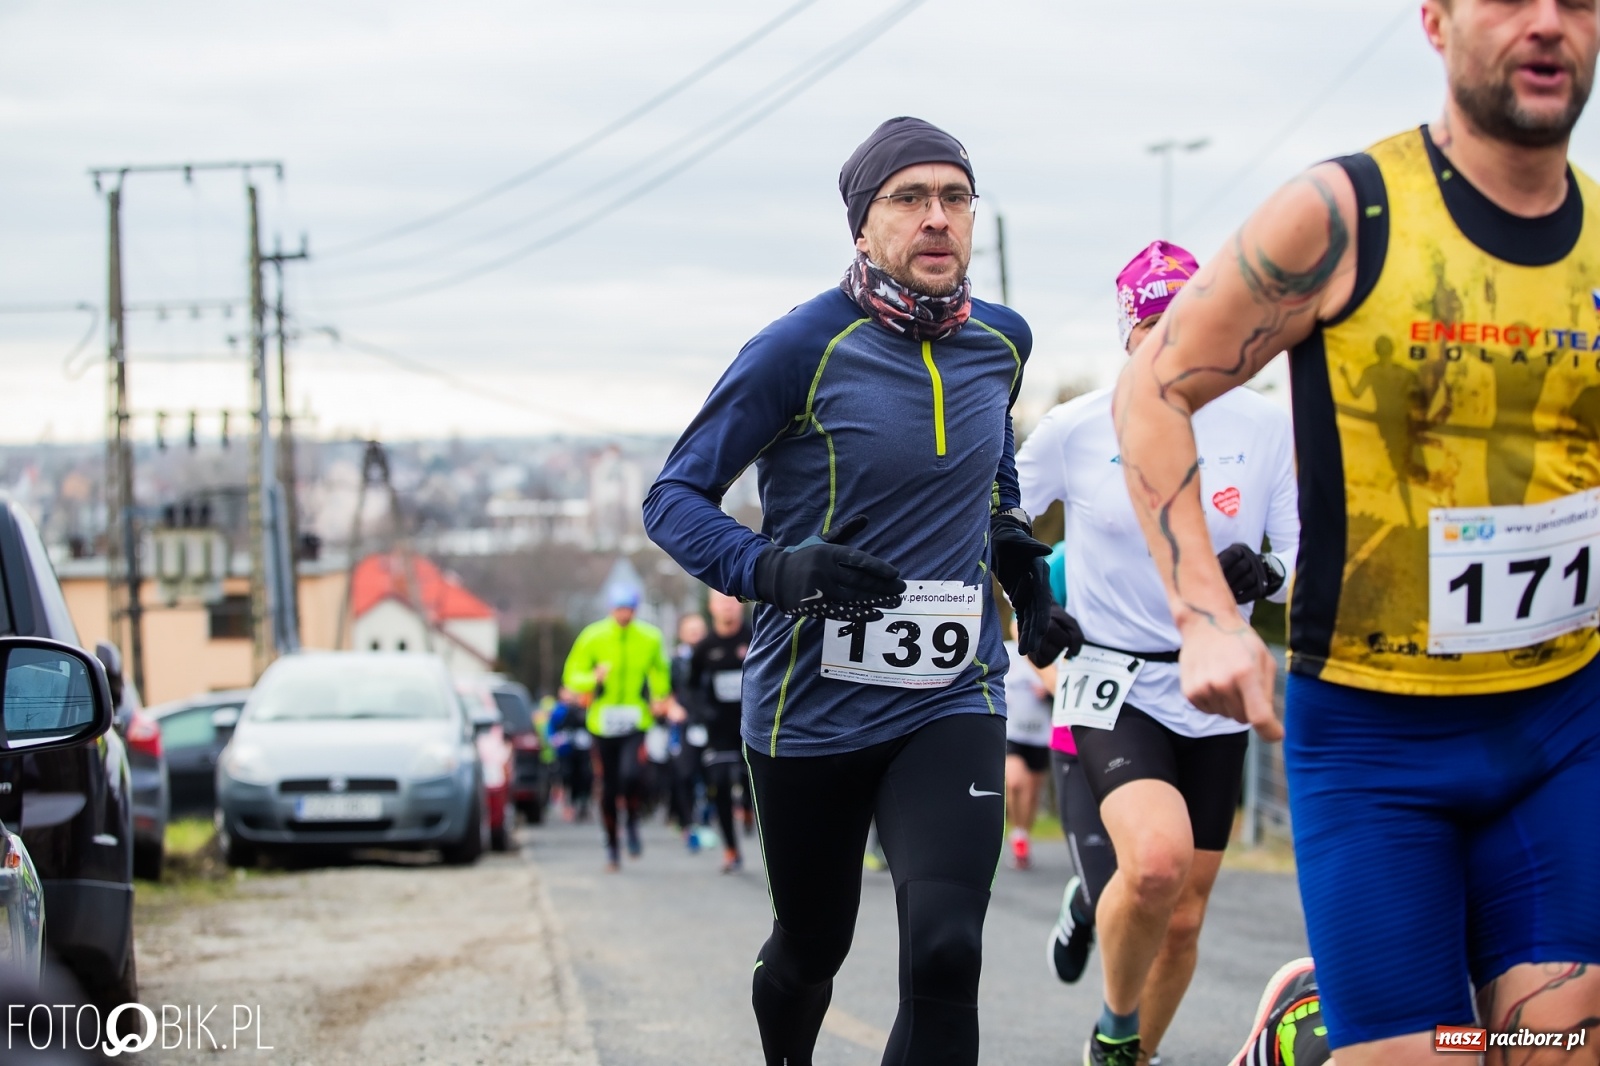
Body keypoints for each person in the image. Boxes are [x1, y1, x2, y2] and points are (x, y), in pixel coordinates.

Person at [1113, 4, 1600, 1063]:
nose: (1547, 24)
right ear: (1435, 20)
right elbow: (1150, 391)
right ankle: (1309, 1019)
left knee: (1558, 1048)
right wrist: (1203, 614)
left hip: (1563, 721)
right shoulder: (1344, 216)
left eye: (1575, 0)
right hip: (1381, 741)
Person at [644, 115, 1055, 1066]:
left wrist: (1016, 556)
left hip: (952, 692)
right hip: (810, 706)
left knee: (948, 952)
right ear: (862, 227)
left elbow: (988, 468)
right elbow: (672, 498)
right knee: (812, 945)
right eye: (908, 199)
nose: (937, 218)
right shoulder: (800, 347)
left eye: (955, 197)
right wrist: (771, 570)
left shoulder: (1002, 341)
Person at [1018, 240, 1299, 1066]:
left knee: (1181, 916)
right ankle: (1113, 1024)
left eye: (1186, 323)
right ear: (1127, 334)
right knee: (1155, 867)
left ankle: (1130, 1053)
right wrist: (1029, 601)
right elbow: (990, 524)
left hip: (1213, 686)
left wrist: (1270, 571)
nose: (1170, 342)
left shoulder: (1265, 426)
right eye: (1151, 326)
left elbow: (1304, 560)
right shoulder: (1074, 428)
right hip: (1111, 678)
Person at [561, 585, 672, 871]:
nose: (624, 614)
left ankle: (632, 820)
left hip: (635, 720)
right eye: (619, 608)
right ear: (611, 609)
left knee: (632, 775)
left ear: (635, 610)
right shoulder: (593, 636)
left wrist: (660, 697)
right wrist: (592, 678)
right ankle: (612, 846)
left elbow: (660, 670)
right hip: (602, 722)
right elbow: (572, 676)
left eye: (629, 609)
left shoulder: (650, 637)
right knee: (609, 788)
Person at [688, 589, 753, 873]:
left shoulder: (755, 635)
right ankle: (731, 848)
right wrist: (702, 712)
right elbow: (689, 686)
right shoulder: (703, 647)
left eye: (732, 601)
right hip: (719, 729)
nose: (728, 607)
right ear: (712, 608)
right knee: (720, 786)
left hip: (753, 724)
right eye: (721, 602)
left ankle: (751, 810)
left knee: (755, 781)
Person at [1001, 619, 1052, 870]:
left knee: (1032, 793)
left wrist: (1048, 692)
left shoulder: (1047, 655)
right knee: (1014, 781)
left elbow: (1062, 686)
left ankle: (1023, 834)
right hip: (1013, 732)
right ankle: (1017, 833)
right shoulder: (1006, 652)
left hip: (1041, 734)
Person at [668, 612, 708, 845]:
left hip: (711, 723)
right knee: (683, 773)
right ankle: (687, 822)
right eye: (689, 629)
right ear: (681, 633)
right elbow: (664, 691)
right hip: (684, 724)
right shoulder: (674, 660)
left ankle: (708, 818)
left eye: (698, 628)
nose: (694, 633)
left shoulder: (713, 654)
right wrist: (671, 707)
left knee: (713, 774)